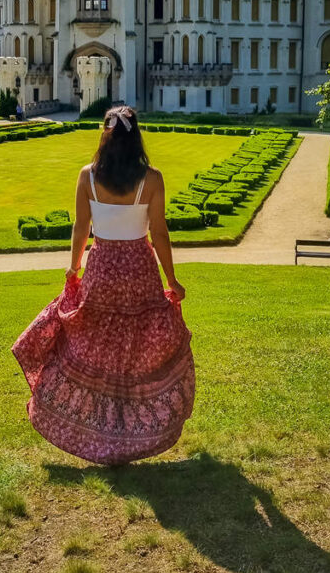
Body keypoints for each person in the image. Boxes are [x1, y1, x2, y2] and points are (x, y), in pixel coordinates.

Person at [12, 105, 195, 465]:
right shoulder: (152, 178)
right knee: (137, 350)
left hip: (103, 267)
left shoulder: (88, 175)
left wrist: (73, 269)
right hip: (139, 270)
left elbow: (81, 229)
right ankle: (131, 433)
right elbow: (159, 233)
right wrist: (172, 280)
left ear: (105, 135)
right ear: (136, 135)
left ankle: (100, 431)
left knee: (95, 346)